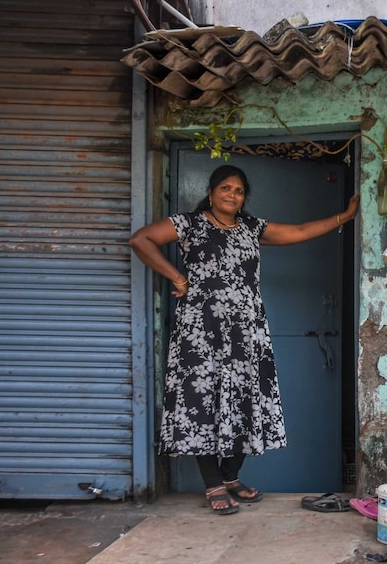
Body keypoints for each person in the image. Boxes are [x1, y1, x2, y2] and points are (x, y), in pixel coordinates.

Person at [130, 164, 359, 515]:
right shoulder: (189, 224)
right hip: (199, 331)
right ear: (211, 192)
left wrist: (343, 216)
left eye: (238, 190)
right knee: (201, 403)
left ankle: (231, 476)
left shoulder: (251, 228)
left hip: (246, 332)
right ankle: (213, 484)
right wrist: (177, 277)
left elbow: (298, 230)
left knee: (245, 398)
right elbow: (140, 240)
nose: (232, 195)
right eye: (225, 188)